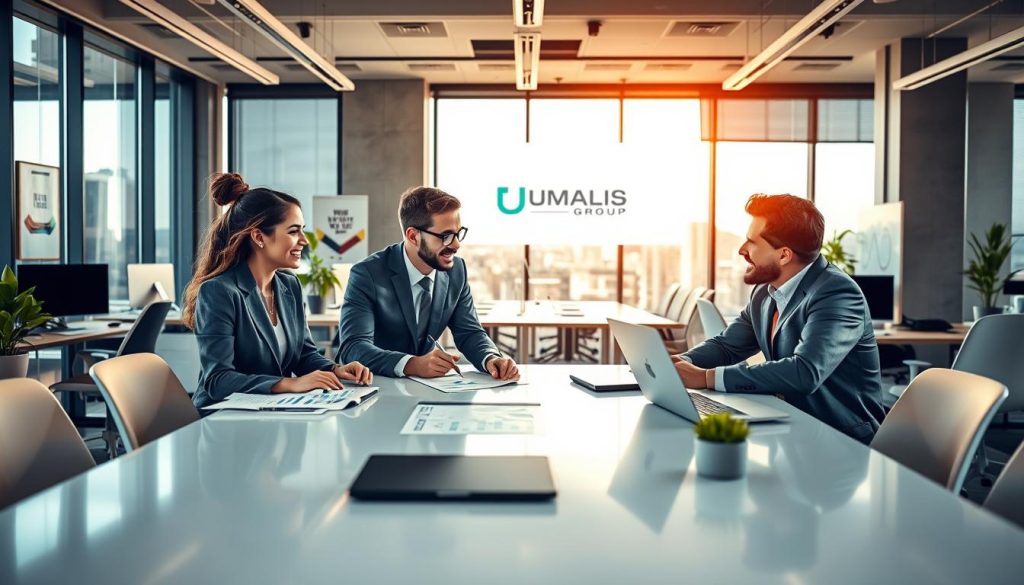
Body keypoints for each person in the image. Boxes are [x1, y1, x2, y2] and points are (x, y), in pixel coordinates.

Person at [676, 194, 885, 443]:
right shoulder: (765, 292)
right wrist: (680, 363)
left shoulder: (837, 293)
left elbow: (804, 372)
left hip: (840, 440)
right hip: (789, 428)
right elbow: (727, 345)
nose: (742, 250)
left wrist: (706, 378)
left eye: (752, 242)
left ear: (784, 255)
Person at [183, 172, 372, 409]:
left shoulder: (289, 285)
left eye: (303, 230)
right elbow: (218, 380)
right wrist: (288, 384)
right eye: (293, 231)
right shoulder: (219, 292)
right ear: (259, 237)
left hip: (270, 410)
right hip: (222, 418)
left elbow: (304, 355)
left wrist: (335, 369)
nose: (304, 240)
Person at [337, 186, 518, 380]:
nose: (456, 245)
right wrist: (412, 364)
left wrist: (490, 358)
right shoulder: (367, 274)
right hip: (377, 386)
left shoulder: (457, 271)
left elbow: (469, 332)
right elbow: (353, 347)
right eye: (446, 236)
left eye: (458, 234)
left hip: (428, 388)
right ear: (413, 236)